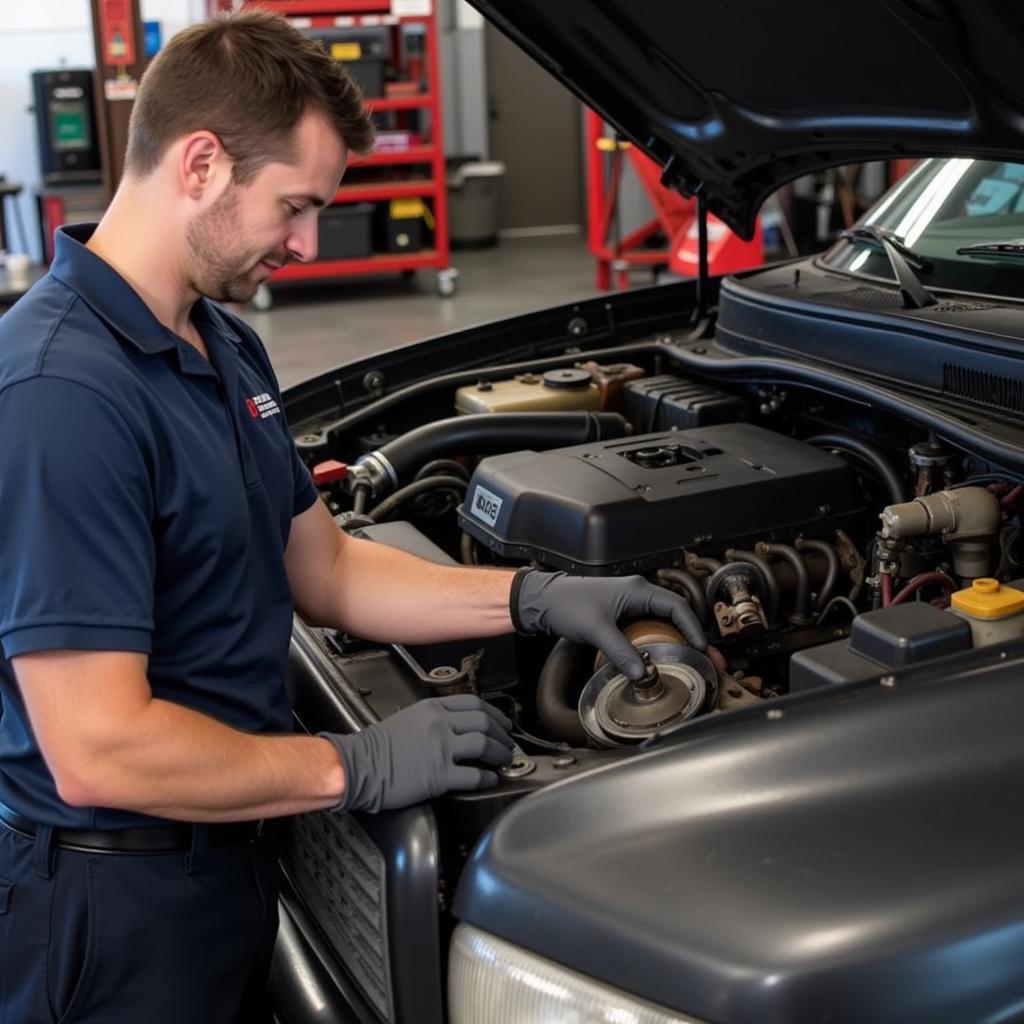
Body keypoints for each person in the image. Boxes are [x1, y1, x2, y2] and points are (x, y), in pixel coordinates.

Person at [0, 11, 705, 1023]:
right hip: (114, 913)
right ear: (199, 163)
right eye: (294, 205)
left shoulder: (220, 345)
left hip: (229, 863)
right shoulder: (59, 393)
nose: (303, 238)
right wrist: (357, 762)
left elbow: (325, 568)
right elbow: (98, 746)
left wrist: (534, 597)